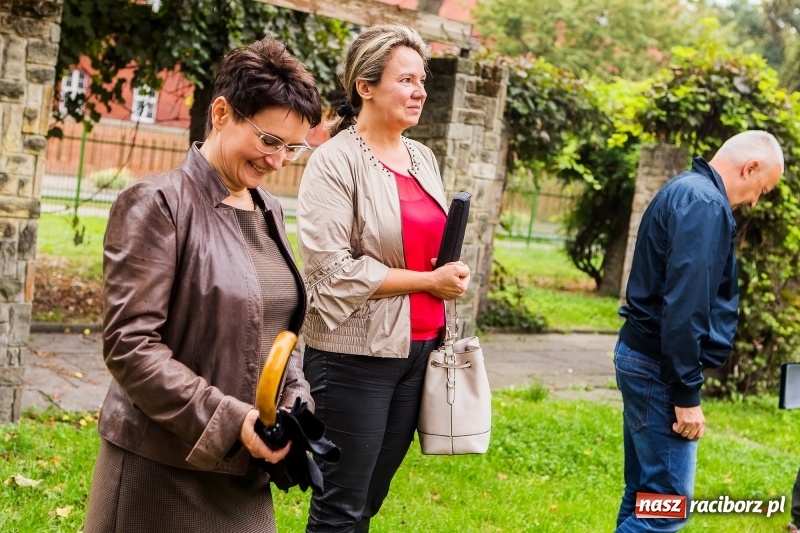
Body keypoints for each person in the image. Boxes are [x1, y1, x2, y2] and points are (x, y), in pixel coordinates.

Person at [83, 36, 322, 533]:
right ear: (221, 113)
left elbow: (282, 330)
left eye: (293, 148)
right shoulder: (158, 203)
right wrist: (232, 420)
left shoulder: (268, 209)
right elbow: (130, 346)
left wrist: (294, 404)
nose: (279, 161)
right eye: (269, 141)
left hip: (245, 470)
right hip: (161, 466)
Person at [296, 24, 471, 532]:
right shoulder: (334, 161)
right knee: (339, 506)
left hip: (419, 351)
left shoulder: (422, 157)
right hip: (354, 356)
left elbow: (423, 248)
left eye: (422, 81)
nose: (420, 92)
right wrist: (427, 282)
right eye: (406, 80)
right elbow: (329, 274)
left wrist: (447, 272)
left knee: (369, 499)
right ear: (365, 86)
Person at [614, 130, 784, 532]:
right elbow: (686, 307)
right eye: (761, 190)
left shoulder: (686, 189)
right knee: (666, 508)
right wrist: (686, 394)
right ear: (750, 168)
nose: (755, 201)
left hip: (644, 358)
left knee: (645, 497)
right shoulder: (705, 204)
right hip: (659, 368)